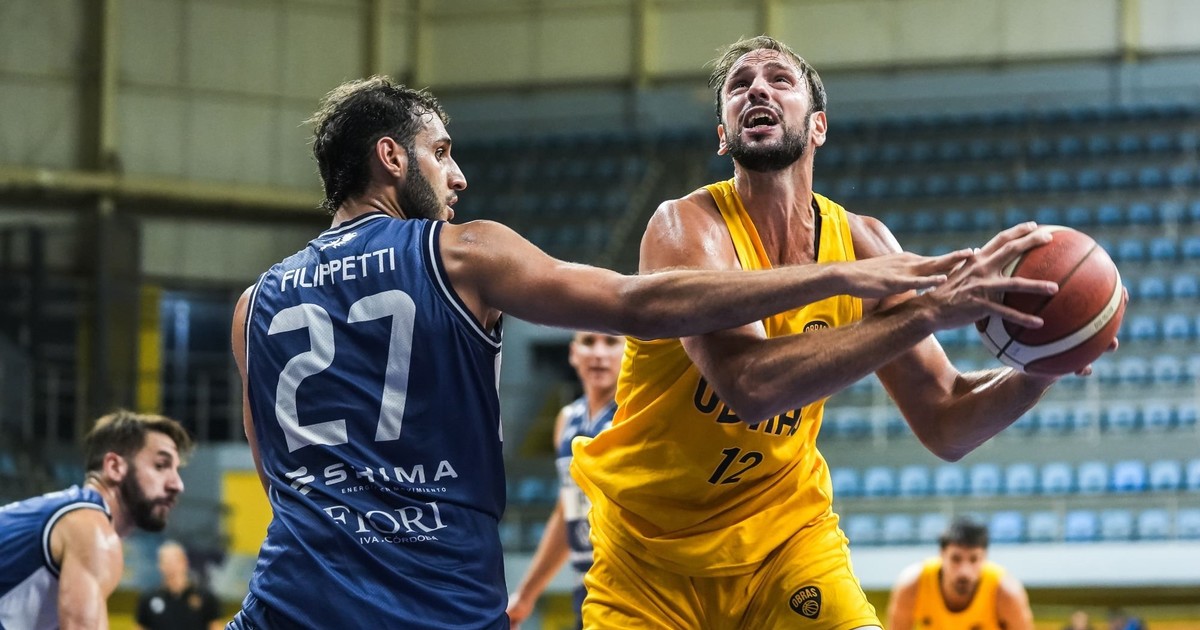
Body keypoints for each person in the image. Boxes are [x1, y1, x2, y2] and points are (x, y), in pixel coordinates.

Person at [227, 76, 969, 629]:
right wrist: (839, 276)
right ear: (391, 158)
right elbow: (636, 303)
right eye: (441, 152)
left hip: (289, 597)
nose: (458, 175)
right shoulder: (462, 251)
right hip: (435, 596)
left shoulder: (252, 304)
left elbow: (277, 478)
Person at [570, 35, 1119, 629]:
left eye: (780, 79)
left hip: (786, 540)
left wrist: (1037, 369)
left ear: (819, 126)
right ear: (723, 135)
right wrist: (927, 311)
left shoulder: (863, 242)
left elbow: (946, 419)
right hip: (648, 558)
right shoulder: (685, 227)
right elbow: (749, 385)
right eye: (739, 85)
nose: (757, 89)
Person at [0, 410, 190, 629]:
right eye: (161, 465)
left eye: (176, 469)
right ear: (114, 467)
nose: (177, 484)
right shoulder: (90, 529)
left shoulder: (67, 514)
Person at [506, 332, 624, 629]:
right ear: (573, 353)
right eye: (589, 342)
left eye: (611, 342)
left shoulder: (634, 416)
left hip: (629, 588)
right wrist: (525, 595)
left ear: (629, 351)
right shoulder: (568, 418)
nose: (599, 353)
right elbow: (566, 511)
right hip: (586, 586)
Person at [887, 517, 1034, 630]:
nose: (964, 571)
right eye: (956, 559)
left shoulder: (1005, 593)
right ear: (942, 554)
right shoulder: (913, 585)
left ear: (984, 558)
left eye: (974, 559)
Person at [136, 540, 224, 630]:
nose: (170, 566)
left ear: (185, 562)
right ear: (159, 565)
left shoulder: (206, 597)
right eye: (165, 562)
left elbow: (215, 626)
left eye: (174, 561)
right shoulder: (149, 599)